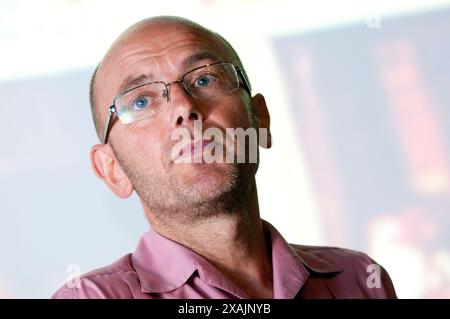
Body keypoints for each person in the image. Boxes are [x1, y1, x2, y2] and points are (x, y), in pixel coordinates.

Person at [52, 16, 397, 299]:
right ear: (112, 170)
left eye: (204, 79)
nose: (185, 108)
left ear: (259, 118)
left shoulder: (359, 280)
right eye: (141, 102)